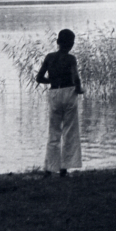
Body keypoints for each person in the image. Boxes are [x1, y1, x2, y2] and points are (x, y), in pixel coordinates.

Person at [36, 29, 83, 177]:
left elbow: (39, 78)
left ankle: (49, 169)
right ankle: (64, 169)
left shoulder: (50, 57)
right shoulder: (71, 59)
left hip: (54, 93)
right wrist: (79, 88)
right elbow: (76, 77)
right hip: (69, 92)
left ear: (57, 42)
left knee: (54, 131)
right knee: (69, 131)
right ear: (71, 44)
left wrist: (52, 80)